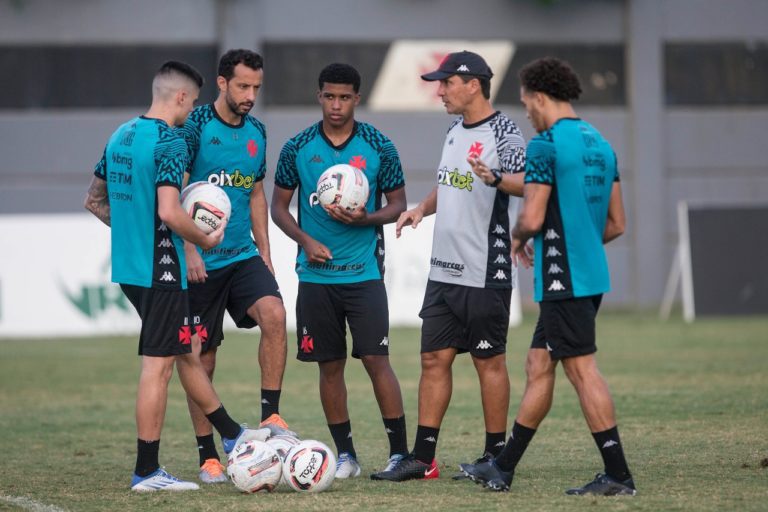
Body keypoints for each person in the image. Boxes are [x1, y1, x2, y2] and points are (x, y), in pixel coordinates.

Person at [84, 61, 269, 492]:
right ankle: (147, 470)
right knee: (159, 366)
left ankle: (232, 433)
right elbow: (170, 212)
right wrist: (203, 239)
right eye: (193, 101)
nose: (193, 110)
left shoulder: (121, 134)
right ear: (183, 97)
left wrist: (133, 230)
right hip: (161, 266)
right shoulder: (170, 142)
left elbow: (94, 200)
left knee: (186, 347)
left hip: (131, 267)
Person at [459, 57, 635, 496]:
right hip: (588, 275)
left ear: (539, 97)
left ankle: (618, 475)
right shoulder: (600, 143)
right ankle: (502, 467)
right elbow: (616, 225)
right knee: (539, 363)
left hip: (563, 278)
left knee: (582, 370)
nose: (526, 113)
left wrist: (518, 240)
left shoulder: (545, 144)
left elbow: (532, 216)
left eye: (525, 104)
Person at [373, 51, 526, 482]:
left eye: (446, 83)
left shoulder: (505, 131)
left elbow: (526, 182)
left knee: (488, 362)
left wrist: (495, 178)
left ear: (472, 84)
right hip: (443, 271)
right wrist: (422, 208)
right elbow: (449, 183)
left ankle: (495, 455)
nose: (439, 91)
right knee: (432, 359)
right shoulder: (453, 129)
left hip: (484, 268)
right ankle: (423, 459)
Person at [271, 63, 408, 479]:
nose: (336, 105)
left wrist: (364, 219)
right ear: (319, 96)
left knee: (375, 359)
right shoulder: (297, 147)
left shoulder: (379, 146)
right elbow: (278, 206)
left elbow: (398, 204)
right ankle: (346, 454)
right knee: (329, 366)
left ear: (357, 99)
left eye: (344, 97)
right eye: (329, 96)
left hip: (364, 273)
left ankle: (400, 453)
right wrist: (306, 241)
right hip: (315, 277)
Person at [176, 49, 291, 484]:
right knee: (201, 359)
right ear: (222, 83)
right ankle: (209, 457)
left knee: (275, 315)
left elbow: (256, 193)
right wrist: (188, 249)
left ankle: (271, 416)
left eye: (256, 88)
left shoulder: (257, 132)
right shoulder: (195, 127)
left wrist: (265, 251)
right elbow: (178, 189)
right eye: (243, 86)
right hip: (200, 261)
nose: (250, 95)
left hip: (242, 255)